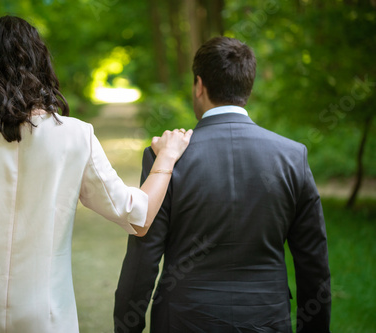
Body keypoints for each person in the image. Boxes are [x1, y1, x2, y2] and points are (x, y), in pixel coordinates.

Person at [0, 16, 192, 333]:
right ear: (40, 64)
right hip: (46, 317)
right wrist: (167, 159)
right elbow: (137, 217)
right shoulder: (76, 135)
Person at [114, 37, 331, 333]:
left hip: (183, 320)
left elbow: (143, 260)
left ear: (199, 85)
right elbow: (313, 265)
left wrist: (127, 326)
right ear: (247, 88)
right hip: (266, 319)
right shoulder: (293, 156)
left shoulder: (167, 158)